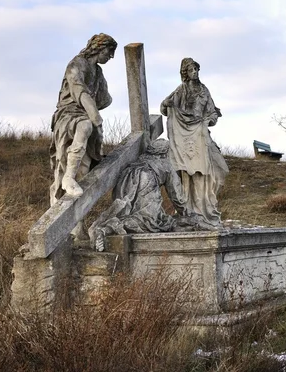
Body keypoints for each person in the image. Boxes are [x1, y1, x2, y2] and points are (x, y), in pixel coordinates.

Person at [160, 58, 229, 229]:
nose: (195, 72)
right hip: (184, 137)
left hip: (200, 134)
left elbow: (212, 112)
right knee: (187, 176)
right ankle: (190, 212)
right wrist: (166, 105)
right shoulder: (181, 90)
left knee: (217, 172)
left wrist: (209, 121)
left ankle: (206, 210)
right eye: (191, 70)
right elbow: (164, 107)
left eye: (196, 69)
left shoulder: (204, 91)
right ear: (185, 72)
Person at [49, 33, 117, 205]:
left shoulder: (98, 72)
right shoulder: (77, 64)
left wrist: (101, 103)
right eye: (109, 51)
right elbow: (79, 90)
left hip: (85, 116)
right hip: (69, 114)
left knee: (84, 171)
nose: (111, 56)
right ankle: (68, 178)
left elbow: (104, 98)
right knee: (86, 125)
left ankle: (78, 229)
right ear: (99, 48)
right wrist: (94, 114)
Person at [88, 139, 185, 251]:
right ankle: (109, 228)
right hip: (146, 179)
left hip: (127, 178)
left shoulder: (140, 159)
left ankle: (105, 229)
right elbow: (177, 197)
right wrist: (186, 214)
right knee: (149, 221)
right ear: (165, 152)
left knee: (128, 215)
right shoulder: (166, 164)